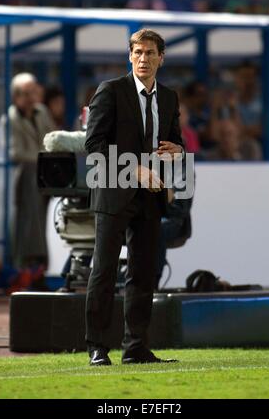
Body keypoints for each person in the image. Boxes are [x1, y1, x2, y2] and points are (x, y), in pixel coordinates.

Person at [85, 28, 184, 366]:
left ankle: (136, 347)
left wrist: (178, 149)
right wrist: (134, 170)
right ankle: (97, 347)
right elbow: (93, 146)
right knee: (104, 271)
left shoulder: (169, 98)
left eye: (150, 53)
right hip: (113, 195)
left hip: (150, 198)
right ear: (130, 56)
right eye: (138, 52)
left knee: (142, 273)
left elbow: (175, 140)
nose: (143, 58)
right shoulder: (110, 91)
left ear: (161, 58)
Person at [8, 73, 55, 269]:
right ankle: (32, 260)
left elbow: (53, 138)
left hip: (45, 173)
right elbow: (16, 152)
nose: (30, 98)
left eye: (33, 92)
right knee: (28, 220)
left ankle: (43, 259)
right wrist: (42, 156)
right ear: (16, 96)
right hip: (26, 176)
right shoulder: (11, 119)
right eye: (25, 94)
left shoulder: (41, 112)